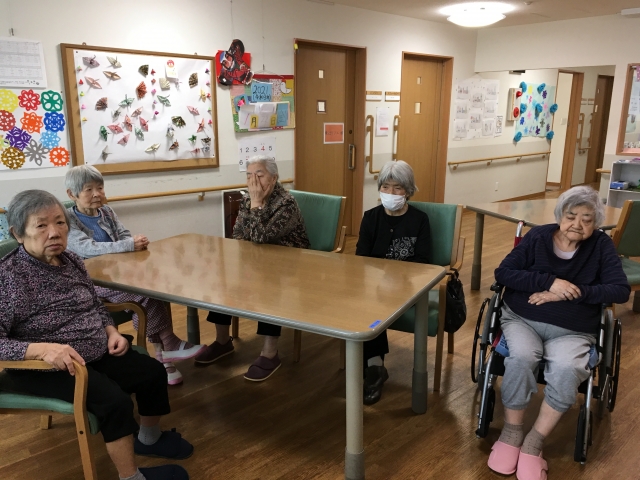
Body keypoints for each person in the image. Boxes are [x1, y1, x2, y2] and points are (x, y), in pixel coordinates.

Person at [0, 190, 194, 480]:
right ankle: (130, 477)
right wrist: (43, 350)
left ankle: (149, 438)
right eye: (41, 225)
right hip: (46, 368)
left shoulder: (72, 260)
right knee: (115, 402)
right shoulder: (8, 277)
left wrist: (111, 330)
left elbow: (94, 305)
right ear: (18, 233)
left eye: (60, 222)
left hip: (95, 351)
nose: (54, 232)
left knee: (152, 372)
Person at [488, 186, 630, 480]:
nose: (577, 224)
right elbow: (504, 273)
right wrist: (550, 282)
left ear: (596, 222)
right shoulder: (538, 236)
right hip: (523, 320)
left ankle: (534, 442)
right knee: (521, 358)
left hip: (573, 330)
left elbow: (619, 290)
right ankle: (512, 434)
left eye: (587, 219)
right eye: (571, 216)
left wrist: (570, 293)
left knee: (567, 368)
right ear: (559, 215)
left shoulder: (601, 246)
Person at [65, 165, 205, 386]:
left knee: (153, 288)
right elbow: (87, 248)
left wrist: (133, 242)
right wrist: (129, 245)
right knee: (144, 294)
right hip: (91, 282)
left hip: (118, 274)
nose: (97, 194)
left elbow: (124, 234)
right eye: (88, 189)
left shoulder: (107, 211)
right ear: (72, 194)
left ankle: (164, 359)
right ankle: (169, 346)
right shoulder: (68, 219)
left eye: (100, 188)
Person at [194, 155, 310, 381]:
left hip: (291, 263)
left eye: (259, 175)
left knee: (269, 287)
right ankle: (222, 341)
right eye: (249, 176)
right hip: (258, 259)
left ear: (274, 178)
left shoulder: (285, 203)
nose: (253, 181)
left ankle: (270, 353)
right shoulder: (247, 199)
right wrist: (253, 205)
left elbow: (260, 237)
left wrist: (256, 205)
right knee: (224, 283)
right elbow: (238, 235)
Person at [355, 160, 431, 405]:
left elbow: (422, 261)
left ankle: (373, 369)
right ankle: (375, 365)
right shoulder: (370, 217)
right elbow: (361, 258)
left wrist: (396, 279)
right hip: (373, 287)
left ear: (408, 191)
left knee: (376, 307)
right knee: (367, 303)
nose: (390, 192)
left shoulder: (420, 220)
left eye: (397, 188)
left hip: (408, 288)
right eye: (385, 187)